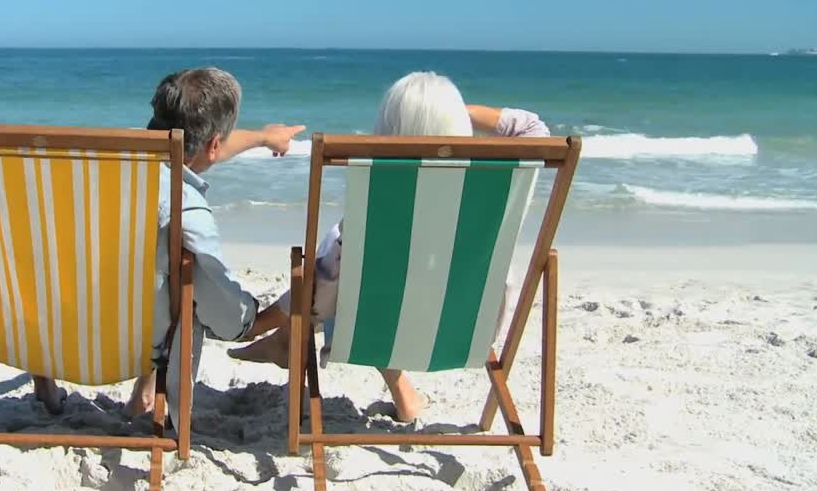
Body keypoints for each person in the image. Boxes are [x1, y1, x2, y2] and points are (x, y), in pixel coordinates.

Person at [228, 71, 550, 422]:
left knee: (348, 272)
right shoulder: (494, 188)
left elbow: (322, 294)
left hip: (381, 326)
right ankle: (289, 344)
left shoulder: (381, 205)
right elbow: (535, 128)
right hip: (470, 324)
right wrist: (452, 110)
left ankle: (283, 339)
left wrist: (267, 320)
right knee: (372, 275)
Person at [31, 66, 305, 415]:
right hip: (135, 342)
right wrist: (264, 318)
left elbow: (202, 149)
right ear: (214, 145)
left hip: (51, 334)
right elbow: (227, 317)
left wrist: (265, 137)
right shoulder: (183, 206)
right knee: (182, 282)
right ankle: (146, 396)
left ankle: (44, 383)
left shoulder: (82, 168)